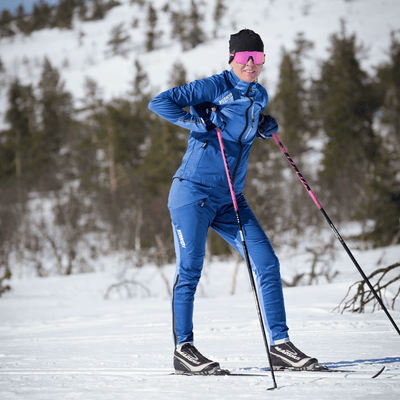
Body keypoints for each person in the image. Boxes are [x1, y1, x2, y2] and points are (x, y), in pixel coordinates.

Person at [148, 29, 319, 375]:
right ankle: (183, 349)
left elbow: (238, 128)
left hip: (230, 198)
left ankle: (280, 345)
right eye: (245, 58)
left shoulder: (259, 96)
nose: (252, 65)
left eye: (259, 58)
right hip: (192, 193)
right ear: (232, 59)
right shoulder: (214, 86)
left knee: (266, 262)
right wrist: (197, 120)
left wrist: (261, 127)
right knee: (190, 270)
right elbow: (160, 102)